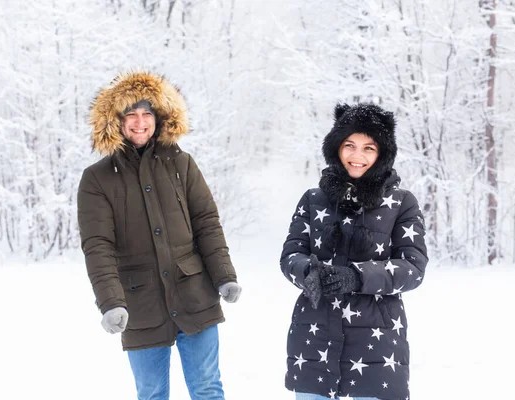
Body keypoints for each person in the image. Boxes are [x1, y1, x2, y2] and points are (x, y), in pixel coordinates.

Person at [77, 71, 241, 400]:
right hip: (140, 305)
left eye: (147, 114)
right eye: (131, 115)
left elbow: (206, 223)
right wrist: (110, 302)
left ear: (160, 118)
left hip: (195, 294)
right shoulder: (96, 180)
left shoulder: (182, 164)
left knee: (208, 387)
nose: (140, 123)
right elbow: (98, 247)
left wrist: (224, 275)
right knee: (152, 394)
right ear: (116, 121)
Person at [280, 103, 428, 400]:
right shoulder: (313, 199)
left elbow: (413, 267)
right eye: (349, 145)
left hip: (375, 347)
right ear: (336, 148)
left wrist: (356, 277)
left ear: (382, 154)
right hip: (314, 340)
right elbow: (290, 256)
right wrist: (309, 273)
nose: (356, 156)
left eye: (368, 148)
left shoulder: (402, 203)